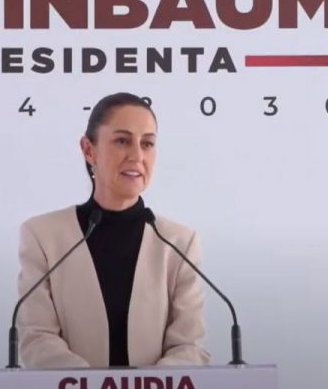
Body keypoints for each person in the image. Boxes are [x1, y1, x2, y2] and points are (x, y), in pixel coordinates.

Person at [16, 92, 210, 368]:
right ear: (88, 150)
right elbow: (38, 338)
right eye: (122, 141)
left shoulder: (179, 243)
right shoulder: (42, 236)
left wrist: (146, 385)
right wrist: (95, 385)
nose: (137, 156)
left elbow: (188, 346)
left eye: (147, 143)